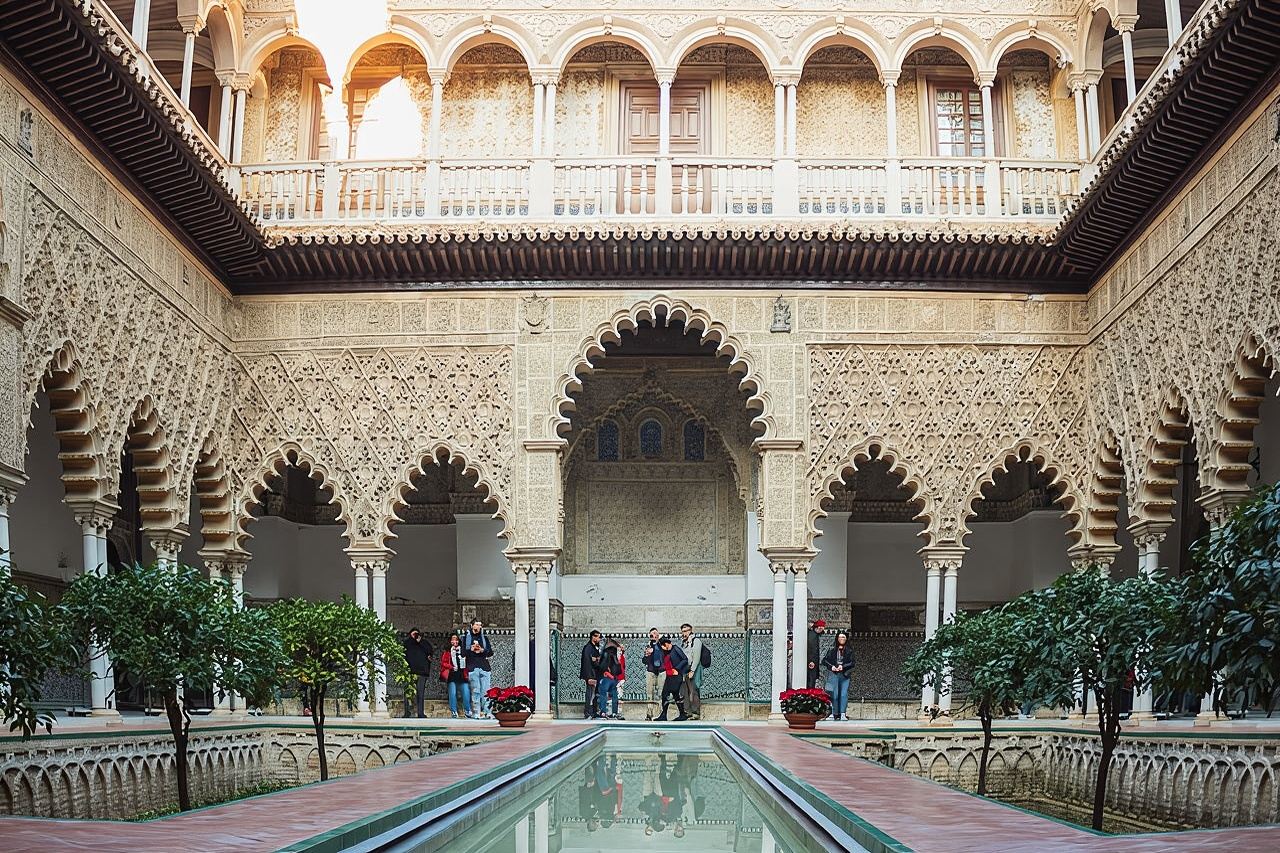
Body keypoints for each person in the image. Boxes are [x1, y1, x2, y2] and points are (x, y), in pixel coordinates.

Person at [462, 619, 493, 718]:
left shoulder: (484, 638)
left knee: (486, 691)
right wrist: (470, 649)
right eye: (476, 624)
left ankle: (488, 712)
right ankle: (476, 712)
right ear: (472, 625)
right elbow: (462, 653)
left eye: (480, 625)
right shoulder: (465, 638)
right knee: (475, 691)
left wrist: (482, 650)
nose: (478, 627)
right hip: (472, 666)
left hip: (484, 667)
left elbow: (490, 652)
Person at [655, 636, 690, 721]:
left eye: (663, 646)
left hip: (676, 676)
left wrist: (677, 668)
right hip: (669, 676)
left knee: (675, 694)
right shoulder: (665, 651)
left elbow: (685, 659)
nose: (662, 648)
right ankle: (665, 715)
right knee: (666, 695)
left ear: (666, 644)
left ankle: (681, 714)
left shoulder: (675, 648)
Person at [823, 629, 855, 721]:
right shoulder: (832, 650)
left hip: (844, 675)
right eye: (840, 637)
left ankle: (842, 713)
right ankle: (834, 713)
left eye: (843, 637)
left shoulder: (849, 651)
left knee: (843, 694)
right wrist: (832, 667)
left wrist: (843, 666)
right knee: (834, 694)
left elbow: (852, 663)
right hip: (834, 674)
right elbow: (825, 660)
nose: (841, 639)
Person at [402, 628, 434, 718]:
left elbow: (430, 652)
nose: (415, 635)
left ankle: (420, 713)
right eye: (413, 634)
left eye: (416, 634)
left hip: (422, 672)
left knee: (421, 693)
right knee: (408, 693)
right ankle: (407, 712)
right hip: (409, 672)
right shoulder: (407, 643)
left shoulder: (424, 643)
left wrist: (420, 641)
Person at [440, 632, 470, 718]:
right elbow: (443, 663)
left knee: (466, 692)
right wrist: (451, 667)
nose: (454, 641)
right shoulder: (447, 652)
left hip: (462, 675)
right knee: (452, 693)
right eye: (452, 639)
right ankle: (454, 711)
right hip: (452, 675)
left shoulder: (463, 651)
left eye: (456, 639)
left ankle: (467, 710)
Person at [679, 623, 704, 719]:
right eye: (682, 631)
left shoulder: (696, 641)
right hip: (685, 670)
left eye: (686, 631)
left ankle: (696, 712)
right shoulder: (684, 643)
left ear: (690, 630)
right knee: (685, 691)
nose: (684, 633)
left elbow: (696, 657)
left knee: (693, 690)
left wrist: (692, 671)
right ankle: (687, 711)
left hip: (694, 669)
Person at [596, 636, 623, 720]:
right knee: (614, 695)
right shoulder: (615, 655)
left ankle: (603, 712)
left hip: (606, 678)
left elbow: (601, 666)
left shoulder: (606, 653)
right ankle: (614, 713)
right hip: (614, 679)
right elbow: (619, 670)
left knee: (603, 694)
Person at [580, 630, 603, 719]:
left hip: (595, 674)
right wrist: (588, 677)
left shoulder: (593, 648)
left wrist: (597, 660)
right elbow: (587, 663)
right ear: (593, 637)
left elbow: (596, 661)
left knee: (594, 694)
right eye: (598, 637)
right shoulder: (588, 648)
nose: (599, 639)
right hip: (591, 675)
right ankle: (588, 712)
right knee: (590, 694)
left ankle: (593, 711)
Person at [643, 627, 663, 721]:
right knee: (649, 693)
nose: (653, 635)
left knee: (661, 693)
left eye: (655, 633)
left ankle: (661, 713)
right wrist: (647, 655)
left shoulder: (662, 643)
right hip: (651, 671)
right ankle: (649, 713)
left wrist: (654, 649)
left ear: (658, 634)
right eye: (651, 634)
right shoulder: (648, 645)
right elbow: (644, 661)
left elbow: (663, 653)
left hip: (661, 671)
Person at [807, 619, 827, 689]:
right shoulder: (812, 636)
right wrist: (811, 661)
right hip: (812, 663)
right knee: (811, 681)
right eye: (821, 628)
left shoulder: (813, 634)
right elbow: (811, 649)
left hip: (813, 662)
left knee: (811, 680)